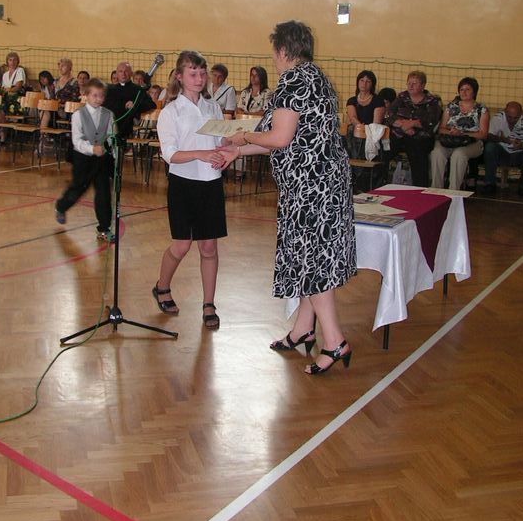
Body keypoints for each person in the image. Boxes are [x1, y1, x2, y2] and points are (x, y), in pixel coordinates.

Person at [221, 21, 356, 375]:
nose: (273, 59)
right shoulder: (318, 77)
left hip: (310, 189)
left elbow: (278, 138)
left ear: (282, 50)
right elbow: (287, 138)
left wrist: (243, 136)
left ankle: (335, 342)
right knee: (310, 258)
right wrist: (239, 151)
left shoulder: (293, 81)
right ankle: (303, 329)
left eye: (274, 52)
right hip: (325, 183)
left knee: (311, 263)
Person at [153, 51, 227, 330]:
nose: (199, 78)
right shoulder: (171, 112)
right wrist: (200, 154)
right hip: (183, 184)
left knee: (209, 247)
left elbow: (220, 142)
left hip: (211, 182)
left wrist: (225, 150)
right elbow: (170, 154)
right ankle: (162, 287)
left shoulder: (213, 108)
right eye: (192, 73)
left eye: (202, 73)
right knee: (182, 245)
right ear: (180, 77)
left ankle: (209, 304)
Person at [55, 78, 116, 243]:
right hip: (83, 159)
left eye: (101, 96)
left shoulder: (108, 115)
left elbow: (111, 136)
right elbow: (77, 140)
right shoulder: (78, 115)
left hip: (101, 160)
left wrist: (107, 148)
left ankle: (104, 228)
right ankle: (61, 206)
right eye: (94, 95)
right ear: (86, 95)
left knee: (103, 194)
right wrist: (91, 149)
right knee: (78, 188)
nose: (98, 99)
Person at [430, 78, 489, 190]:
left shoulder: (482, 109)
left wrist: (462, 133)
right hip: (450, 141)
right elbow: (441, 129)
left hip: (472, 143)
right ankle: (435, 189)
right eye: (461, 89)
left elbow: (483, 134)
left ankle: (454, 190)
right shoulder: (451, 107)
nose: (464, 92)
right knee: (436, 152)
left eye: (467, 89)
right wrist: (452, 132)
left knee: (459, 155)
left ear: (474, 92)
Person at [386, 71, 441, 187]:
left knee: (417, 153)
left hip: (421, 137)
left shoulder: (432, 101)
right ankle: (380, 184)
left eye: (414, 83)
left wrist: (413, 123)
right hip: (400, 134)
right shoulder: (402, 97)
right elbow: (390, 115)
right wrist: (403, 126)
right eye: (409, 83)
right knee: (384, 150)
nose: (410, 86)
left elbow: (431, 121)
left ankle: (419, 188)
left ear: (423, 85)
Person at [104, 60, 156, 141]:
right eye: (120, 71)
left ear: (131, 73)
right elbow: (105, 105)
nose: (123, 74)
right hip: (112, 126)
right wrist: (124, 105)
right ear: (117, 74)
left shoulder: (139, 90)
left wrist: (135, 105)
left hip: (130, 127)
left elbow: (151, 104)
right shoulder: (110, 90)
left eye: (126, 71)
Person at [481, 102, 523, 195]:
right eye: (509, 117)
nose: (512, 120)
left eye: (516, 118)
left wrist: (522, 145)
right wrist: (501, 139)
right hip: (502, 153)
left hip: (520, 154)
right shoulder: (498, 118)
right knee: (490, 147)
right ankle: (489, 183)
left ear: (521, 114)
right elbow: (487, 136)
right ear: (505, 112)